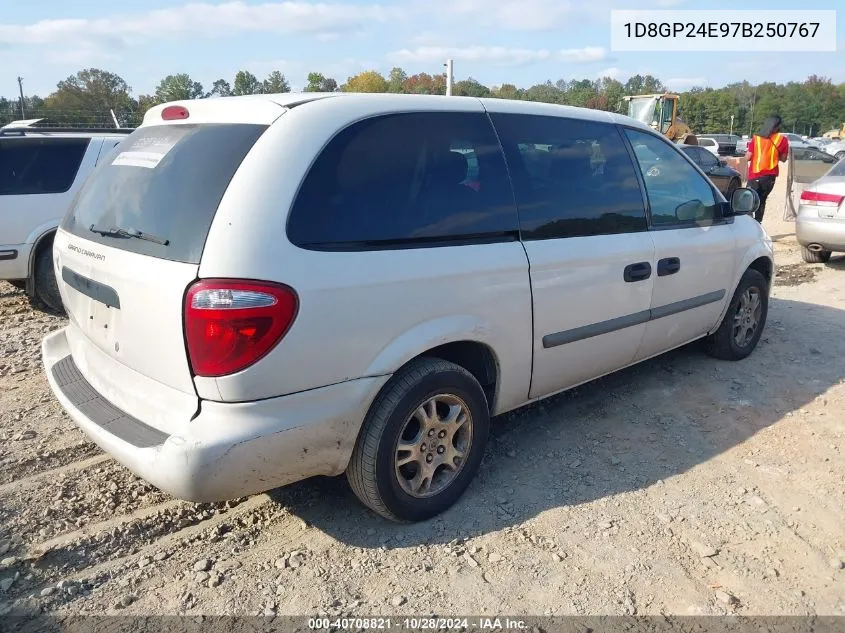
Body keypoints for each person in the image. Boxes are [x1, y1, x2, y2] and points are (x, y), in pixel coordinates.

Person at [745, 115, 789, 223]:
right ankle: (758, 223)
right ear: (777, 126)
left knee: (748, 200)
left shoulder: (756, 138)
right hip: (770, 177)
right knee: (762, 200)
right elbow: (783, 159)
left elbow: (748, 157)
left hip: (755, 175)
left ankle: (748, 223)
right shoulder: (782, 140)